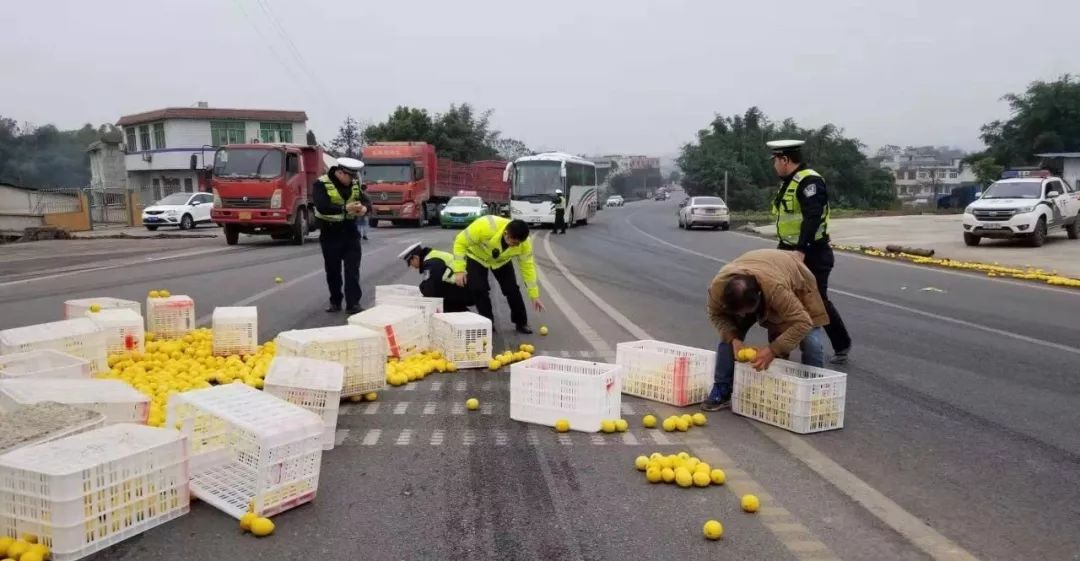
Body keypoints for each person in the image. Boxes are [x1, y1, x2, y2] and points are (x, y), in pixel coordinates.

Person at [701, 249, 829, 411]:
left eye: (747, 311)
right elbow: (716, 315)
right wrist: (734, 338)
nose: (743, 315)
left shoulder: (776, 290)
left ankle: (817, 395)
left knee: (811, 342)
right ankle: (722, 389)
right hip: (760, 274)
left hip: (793, 277)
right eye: (740, 312)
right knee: (728, 336)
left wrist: (773, 349)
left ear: (759, 296)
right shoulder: (717, 290)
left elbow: (802, 322)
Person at [766, 139, 852, 364]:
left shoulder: (810, 181)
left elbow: (812, 217)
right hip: (787, 249)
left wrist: (801, 250)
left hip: (812, 252)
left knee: (817, 301)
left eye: (776, 160)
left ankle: (841, 344)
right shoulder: (789, 181)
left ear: (785, 160)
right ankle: (779, 351)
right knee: (780, 297)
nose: (774, 165)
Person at [451, 216, 545, 333]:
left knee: (512, 289)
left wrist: (534, 295)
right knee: (479, 289)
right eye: (513, 242)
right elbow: (460, 242)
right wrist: (459, 270)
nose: (514, 246)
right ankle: (488, 323)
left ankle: (521, 323)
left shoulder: (524, 244)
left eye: (517, 244)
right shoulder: (484, 226)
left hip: (501, 261)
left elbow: (528, 268)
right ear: (506, 233)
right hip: (477, 257)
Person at [312, 157, 372, 314]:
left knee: (352, 270)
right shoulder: (321, 183)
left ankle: (353, 304)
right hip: (330, 233)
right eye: (350, 176)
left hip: (350, 232)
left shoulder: (354, 184)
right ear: (340, 172)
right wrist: (346, 208)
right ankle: (335, 301)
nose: (353, 180)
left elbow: (367, 202)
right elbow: (322, 206)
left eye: (354, 177)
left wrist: (364, 209)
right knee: (333, 271)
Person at [399, 242, 473, 312]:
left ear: (415, 257)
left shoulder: (430, 263)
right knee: (438, 291)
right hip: (466, 285)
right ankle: (461, 312)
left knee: (436, 297)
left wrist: (422, 289)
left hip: (466, 290)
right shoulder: (433, 255)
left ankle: (460, 315)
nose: (411, 266)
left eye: (410, 263)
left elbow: (430, 290)